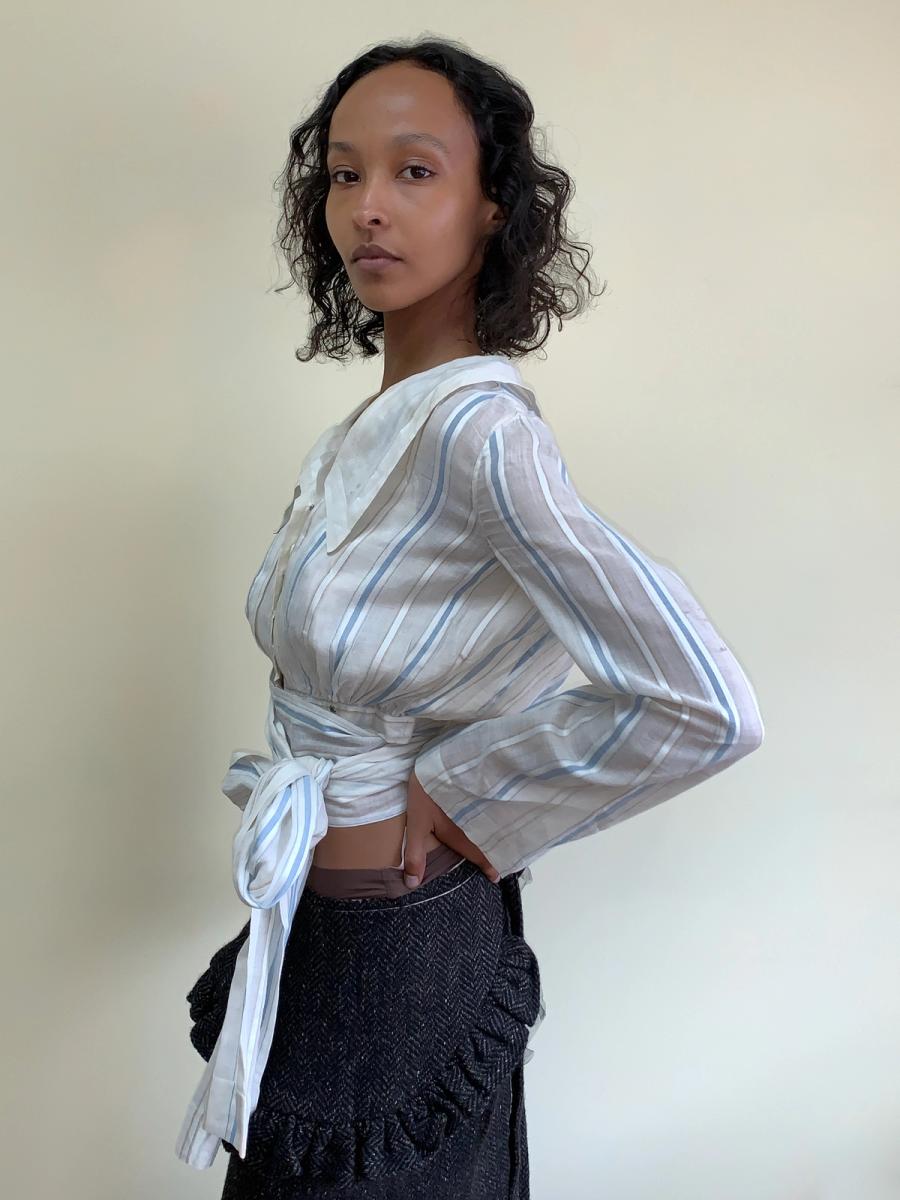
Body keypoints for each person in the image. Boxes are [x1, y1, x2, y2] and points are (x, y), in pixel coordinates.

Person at [174, 36, 765, 1200]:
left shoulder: (480, 434)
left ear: (493, 205)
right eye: (345, 174)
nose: (368, 208)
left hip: (399, 960)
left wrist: (471, 791)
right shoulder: (374, 431)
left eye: (415, 170)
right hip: (330, 931)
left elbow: (704, 702)